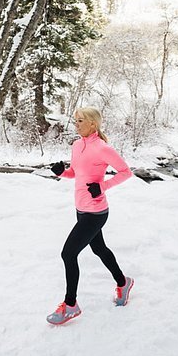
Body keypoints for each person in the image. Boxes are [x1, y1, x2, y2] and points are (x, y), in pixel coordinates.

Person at [46, 106, 134, 325]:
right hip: (81, 208)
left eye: (80, 121)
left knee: (68, 253)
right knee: (99, 248)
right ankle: (123, 282)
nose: (76, 124)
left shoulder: (103, 148)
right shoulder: (77, 145)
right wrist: (61, 172)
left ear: (93, 124)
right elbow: (75, 173)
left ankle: (71, 305)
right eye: (75, 120)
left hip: (95, 212)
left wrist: (102, 187)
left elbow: (126, 172)